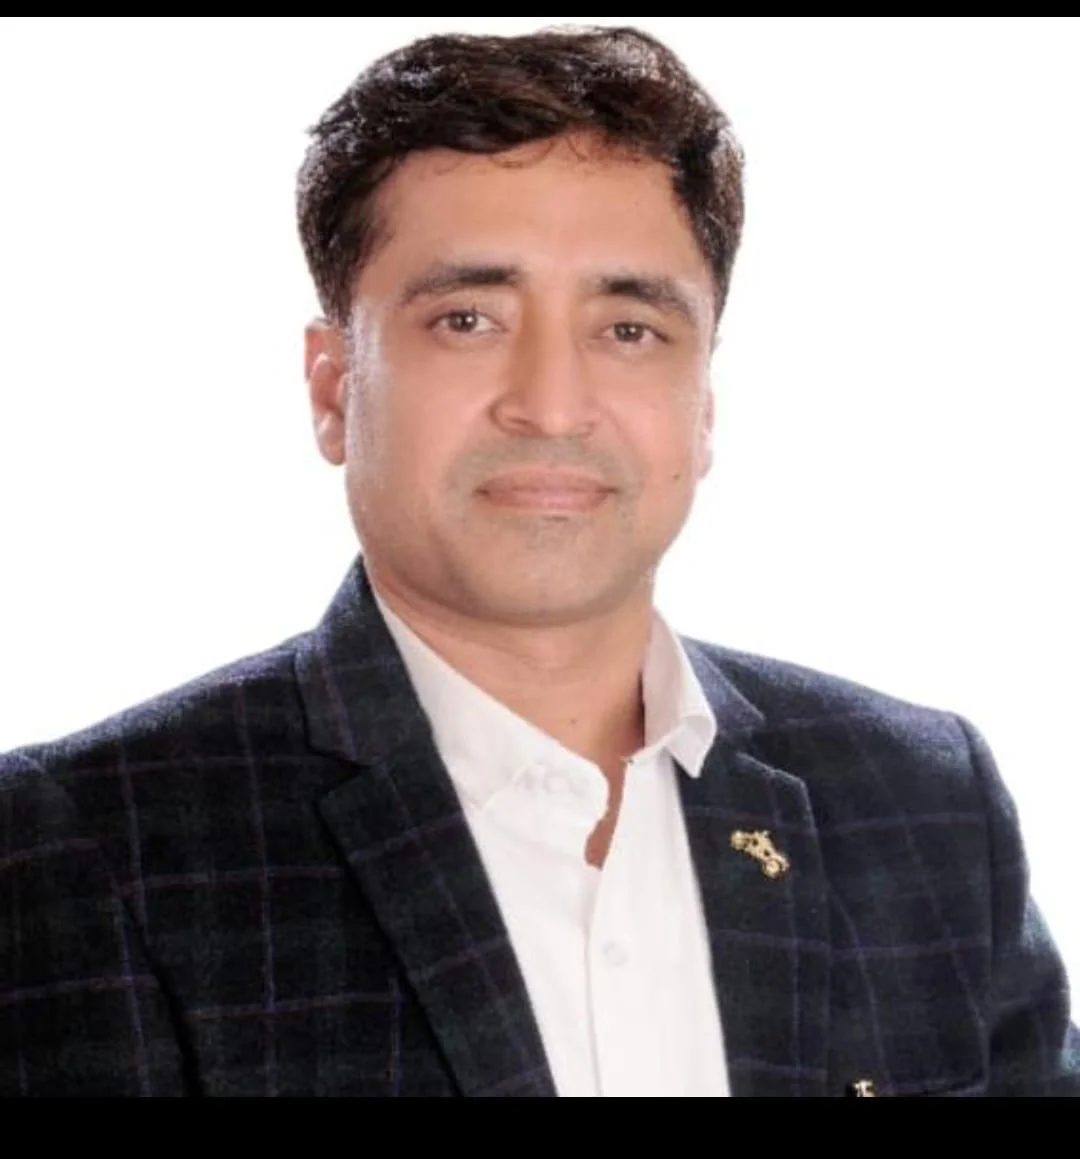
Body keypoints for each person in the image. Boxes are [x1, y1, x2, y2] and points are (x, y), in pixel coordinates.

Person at [0, 24, 1076, 1098]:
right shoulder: (96, 843)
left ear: (702, 403)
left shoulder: (923, 803)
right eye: (467, 320)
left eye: (629, 329)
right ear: (333, 388)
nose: (553, 406)